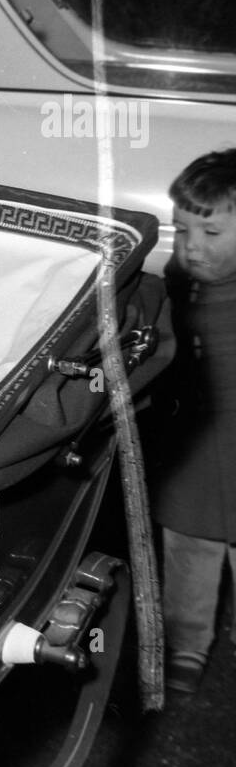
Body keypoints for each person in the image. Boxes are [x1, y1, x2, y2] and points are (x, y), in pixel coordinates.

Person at [149, 149, 236, 695]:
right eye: (182, 230)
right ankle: (185, 641)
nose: (192, 246)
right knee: (187, 549)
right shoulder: (179, 285)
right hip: (196, 451)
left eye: (211, 231)